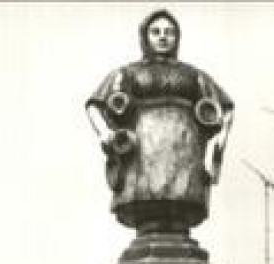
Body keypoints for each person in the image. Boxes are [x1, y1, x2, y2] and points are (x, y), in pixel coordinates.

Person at [85, 9, 234, 232]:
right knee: (146, 204)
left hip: (186, 159)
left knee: (182, 201)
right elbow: (94, 105)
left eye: (169, 32)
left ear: (177, 37)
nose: (163, 37)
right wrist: (105, 133)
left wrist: (219, 142)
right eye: (156, 32)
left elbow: (226, 107)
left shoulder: (194, 76)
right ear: (145, 37)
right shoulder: (128, 73)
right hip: (141, 159)